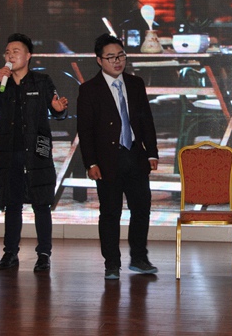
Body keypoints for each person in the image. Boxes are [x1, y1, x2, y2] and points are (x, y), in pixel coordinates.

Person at [0, 33, 68, 272]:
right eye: (7, 52)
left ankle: (44, 254)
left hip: (37, 151)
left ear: (28, 55)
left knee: (41, 203)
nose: (10, 56)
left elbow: (58, 111)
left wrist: (58, 109)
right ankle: (10, 253)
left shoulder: (42, 81)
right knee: (12, 204)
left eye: (15, 51)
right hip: (8, 152)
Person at [77, 34, 159, 280]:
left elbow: (146, 120)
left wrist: (151, 152)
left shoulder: (135, 84)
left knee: (141, 208)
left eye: (120, 56)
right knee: (111, 212)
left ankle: (139, 258)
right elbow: (85, 130)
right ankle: (111, 263)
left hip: (135, 155)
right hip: (107, 161)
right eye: (111, 57)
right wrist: (91, 163)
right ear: (99, 60)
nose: (117, 61)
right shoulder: (89, 89)